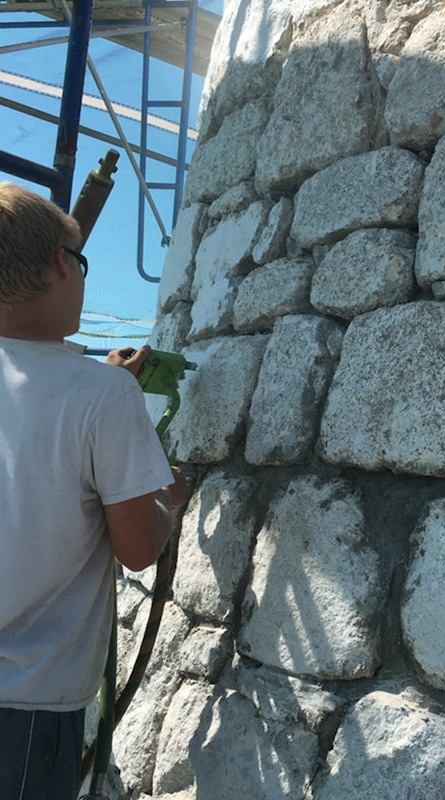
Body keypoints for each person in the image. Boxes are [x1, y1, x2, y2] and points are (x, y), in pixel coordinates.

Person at [0, 181, 188, 799]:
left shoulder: (97, 390)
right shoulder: (104, 397)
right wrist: (168, 498)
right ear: (62, 263)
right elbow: (137, 548)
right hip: (26, 707)